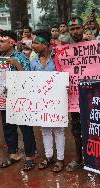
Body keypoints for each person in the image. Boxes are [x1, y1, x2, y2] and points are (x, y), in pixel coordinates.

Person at [0, 30, 37, 171]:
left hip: (21, 99)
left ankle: (30, 157)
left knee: (25, 128)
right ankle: (13, 154)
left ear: (12, 42)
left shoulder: (21, 57)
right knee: (8, 127)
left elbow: (28, 78)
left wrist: (16, 64)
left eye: (2, 41)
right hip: (5, 99)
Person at [30, 29, 66, 173]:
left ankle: (60, 159)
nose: (33, 45)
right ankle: (49, 156)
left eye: (36, 43)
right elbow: (30, 80)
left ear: (45, 45)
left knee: (58, 129)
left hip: (58, 100)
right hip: (41, 101)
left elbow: (66, 74)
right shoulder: (33, 62)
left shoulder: (58, 58)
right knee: (44, 130)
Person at [65, 17, 85, 172]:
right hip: (74, 97)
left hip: (93, 96)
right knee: (77, 130)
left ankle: (96, 160)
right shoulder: (64, 48)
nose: (75, 31)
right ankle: (79, 159)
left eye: (78, 28)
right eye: (72, 29)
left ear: (83, 28)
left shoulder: (94, 46)